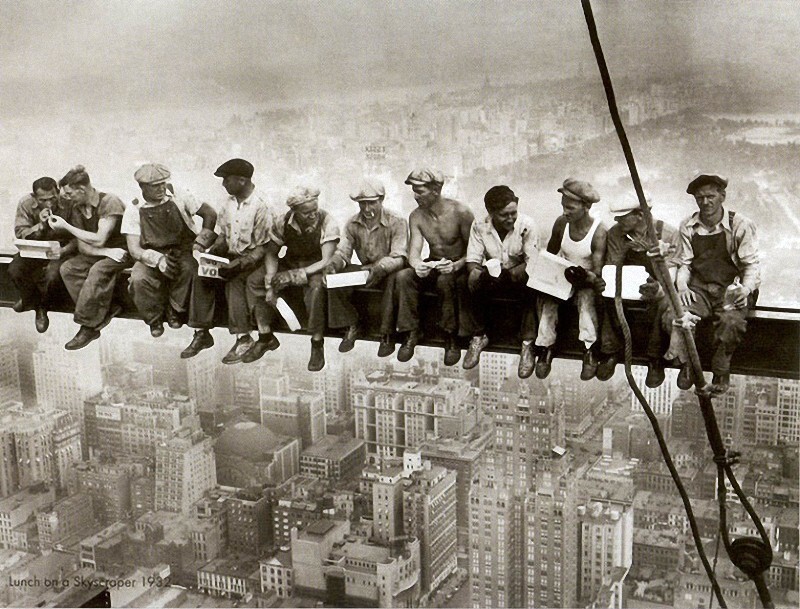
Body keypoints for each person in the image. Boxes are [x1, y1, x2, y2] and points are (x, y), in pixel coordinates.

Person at [666, 173, 760, 393]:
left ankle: (720, 370)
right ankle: (686, 363)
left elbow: (751, 265)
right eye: (700, 198)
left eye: (710, 196)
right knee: (682, 316)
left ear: (722, 196)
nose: (705, 202)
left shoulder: (740, 224)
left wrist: (745, 290)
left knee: (731, 322)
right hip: (700, 287)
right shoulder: (688, 226)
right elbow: (685, 263)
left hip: (732, 288)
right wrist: (682, 287)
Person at [181, 158, 275, 364]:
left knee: (235, 282)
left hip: (254, 261)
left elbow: (264, 247)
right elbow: (223, 234)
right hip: (232, 257)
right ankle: (201, 331)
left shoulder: (261, 206)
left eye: (227, 180)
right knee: (202, 275)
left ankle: (243, 337)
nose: (224, 184)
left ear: (242, 180)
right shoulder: (229, 204)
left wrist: (240, 265)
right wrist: (212, 253)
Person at [245, 186, 339, 371]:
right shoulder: (283, 221)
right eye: (306, 213)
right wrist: (270, 279)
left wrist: (293, 275)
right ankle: (265, 336)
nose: (312, 215)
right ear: (294, 211)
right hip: (291, 261)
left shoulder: (328, 222)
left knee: (317, 288)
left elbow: (326, 259)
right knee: (255, 281)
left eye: (314, 210)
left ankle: (317, 342)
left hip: (316, 266)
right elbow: (271, 253)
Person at [122, 163, 217, 337]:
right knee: (138, 278)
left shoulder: (179, 195)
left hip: (182, 249)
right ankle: (154, 319)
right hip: (150, 254)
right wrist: (158, 260)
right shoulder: (134, 208)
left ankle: (175, 310)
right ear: (142, 187)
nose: (161, 188)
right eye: (155, 185)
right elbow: (134, 249)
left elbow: (210, 214)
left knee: (189, 270)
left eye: (163, 183)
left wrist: (201, 243)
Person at [595, 193, 678, 387]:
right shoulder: (616, 233)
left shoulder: (667, 234)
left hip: (658, 285)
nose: (617, 220)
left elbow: (671, 275)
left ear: (640, 215)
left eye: (623, 216)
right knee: (606, 296)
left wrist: (658, 287)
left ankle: (654, 358)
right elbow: (613, 265)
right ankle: (610, 351)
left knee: (665, 302)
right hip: (627, 282)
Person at [395, 167, 475, 366]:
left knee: (445, 281)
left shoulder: (461, 212)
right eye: (414, 190)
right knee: (404, 276)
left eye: (419, 191)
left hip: (459, 266)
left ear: (435, 191)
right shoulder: (416, 216)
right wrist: (417, 265)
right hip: (435, 263)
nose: (415, 196)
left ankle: (451, 337)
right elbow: (414, 250)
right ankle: (411, 332)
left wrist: (456, 266)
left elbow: (475, 251)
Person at [49, 165, 130, 350]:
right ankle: (105, 309)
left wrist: (66, 227)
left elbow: (100, 239)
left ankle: (88, 326)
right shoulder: (78, 207)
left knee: (97, 271)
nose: (67, 198)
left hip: (123, 252)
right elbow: (83, 246)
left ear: (82, 189)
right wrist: (104, 253)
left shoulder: (109, 202)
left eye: (70, 193)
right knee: (68, 269)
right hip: (105, 253)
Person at [462, 185, 540, 378]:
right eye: (504, 215)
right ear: (491, 212)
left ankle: (528, 344)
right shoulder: (480, 225)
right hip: (493, 273)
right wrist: (475, 273)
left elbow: (533, 262)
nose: (510, 219)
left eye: (513, 213)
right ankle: (479, 336)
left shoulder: (527, 225)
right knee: (469, 282)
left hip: (520, 275)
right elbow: (473, 257)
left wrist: (512, 273)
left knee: (531, 287)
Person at [325, 177, 408, 357]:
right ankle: (352, 324)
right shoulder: (352, 223)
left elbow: (399, 256)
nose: (367, 209)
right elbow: (344, 251)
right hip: (367, 270)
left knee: (394, 281)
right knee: (335, 280)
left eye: (372, 203)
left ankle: (387, 334)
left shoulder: (397, 221)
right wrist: (334, 264)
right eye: (363, 204)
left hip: (389, 269)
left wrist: (380, 268)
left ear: (381, 200)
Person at [535, 178, 607, 380]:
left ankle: (589, 349)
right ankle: (545, 347)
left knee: (586, 301)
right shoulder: (561, 223)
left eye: (570, 208)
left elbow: (598, 271)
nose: (565, 212)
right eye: (563, 207)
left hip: (585, 280)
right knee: (549, 301)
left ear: (586, 207)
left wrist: (586, 276)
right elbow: (550, 254)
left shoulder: (599, 232)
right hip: (563, 275)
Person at [9, 176, 76, 333]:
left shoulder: (68, 203)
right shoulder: (25, 203)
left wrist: (63, 248)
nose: (49, 204)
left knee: (52, 276)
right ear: (34, 197)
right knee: (15, 270)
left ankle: (41, 308)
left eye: (52, 198)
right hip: (34, 249)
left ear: (58, 192)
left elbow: (77, 235)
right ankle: (29, 299)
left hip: (60, 249)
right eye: (43, 200)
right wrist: (40, 226)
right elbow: (20, 232)